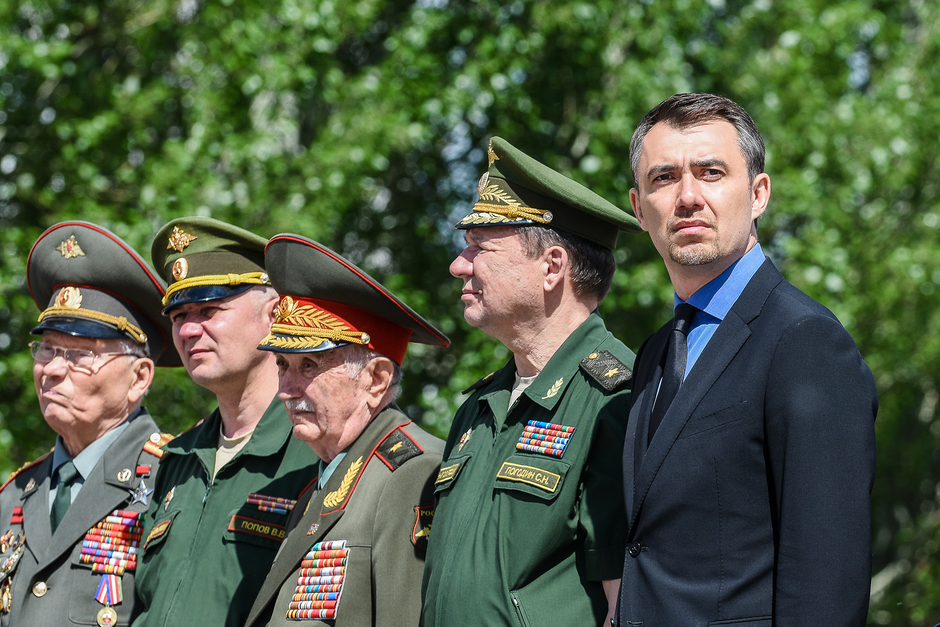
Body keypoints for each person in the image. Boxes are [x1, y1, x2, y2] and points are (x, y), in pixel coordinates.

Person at [618, 92, 878, 626]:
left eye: (711, 172)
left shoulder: (804, 342)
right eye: (664, 178)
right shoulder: (654, 354)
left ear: (759, 194)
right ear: (639, 209)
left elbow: (826, 582)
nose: (688, 197)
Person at [422, 137, 641, 627]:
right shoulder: (481, 404)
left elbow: (626, 601)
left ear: (552, 267)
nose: (459, 265)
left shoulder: (617, 400)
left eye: (480, 246)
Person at [243, 233, 450, 627]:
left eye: (309, 365)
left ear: (376, 380)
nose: (286, 390)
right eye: (283, 365)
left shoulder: (411, 472)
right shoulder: (324, 477)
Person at [133, 218, 318, 627]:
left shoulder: (315, 449)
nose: (188, 330)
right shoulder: (178, 457)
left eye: (209, 310)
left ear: (274, 314)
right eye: (178, 315)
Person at [0, 221, 179, 627]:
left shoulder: (174, 483)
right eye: (46, 349)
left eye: (80, 354)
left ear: (139, 378)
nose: (52, 369)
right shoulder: (13, 495)